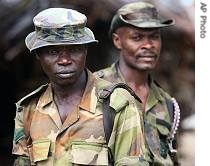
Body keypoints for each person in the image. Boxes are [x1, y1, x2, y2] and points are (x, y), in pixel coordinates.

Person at [12, 8, 150, 166]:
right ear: (38, 55)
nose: (64, 60)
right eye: (52, 51)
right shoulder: (29, 108)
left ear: (86, 50)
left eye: (74, 49)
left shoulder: (117, 103)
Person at [95, 1, 180, 165]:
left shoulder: (167, 103)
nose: (148, 45)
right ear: (117, 41)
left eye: (154, 36)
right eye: (137, 37)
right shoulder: (94, 89)